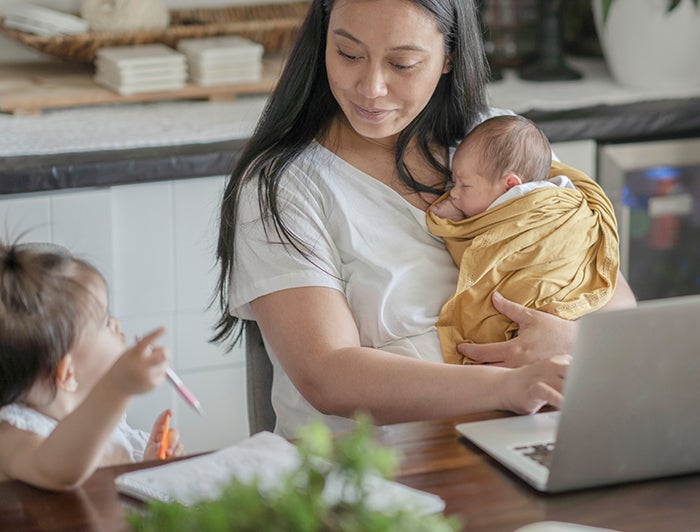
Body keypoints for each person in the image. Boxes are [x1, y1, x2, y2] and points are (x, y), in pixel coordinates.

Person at [214, 0, 636, 439]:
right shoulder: (281, 185)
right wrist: (508, 386)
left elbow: (615, 301)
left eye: (403, 63)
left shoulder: (503, 143)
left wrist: (573, 342)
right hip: (369, 478)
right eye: (349, 54)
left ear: (449, 55)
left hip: (528, 443)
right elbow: (327, 373)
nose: (371, 87)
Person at [426, 115, 619, 364]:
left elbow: (478, 256)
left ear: (510, 186)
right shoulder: (561, 186)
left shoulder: (557, 209)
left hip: (551, 303)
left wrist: (450, 225)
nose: (453, 193)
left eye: (464, 185)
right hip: (575, 326)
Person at [0, 241, 185, 491]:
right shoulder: (11, 436)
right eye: (105, 322)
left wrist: (145, 469)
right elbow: (59, 471)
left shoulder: (106, 422)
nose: (117, 324)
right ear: (67, 373)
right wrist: (116, 388)